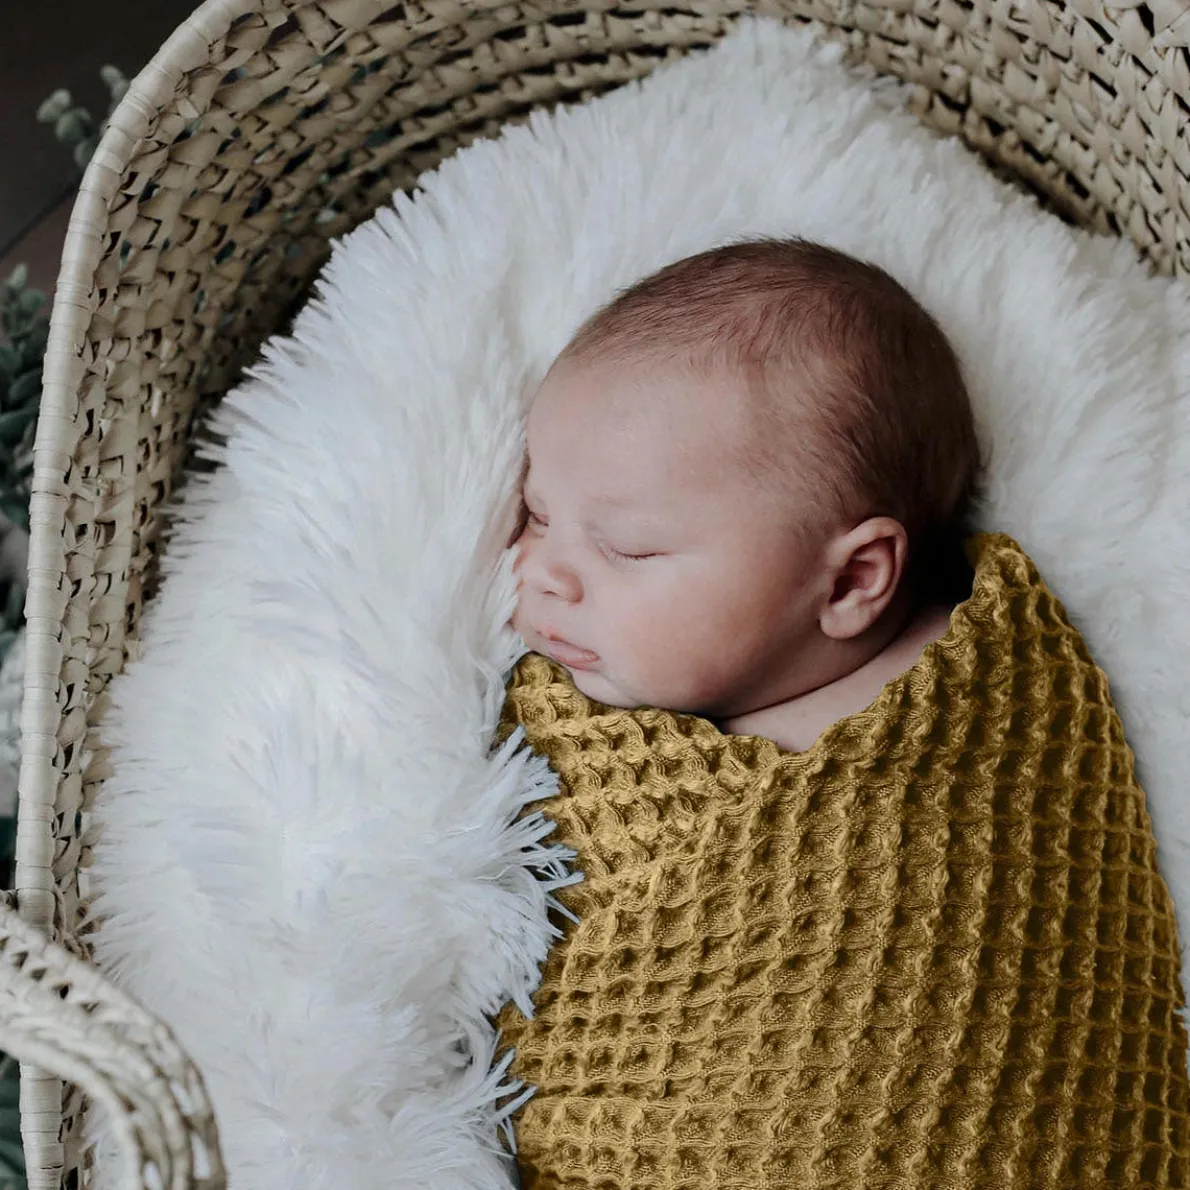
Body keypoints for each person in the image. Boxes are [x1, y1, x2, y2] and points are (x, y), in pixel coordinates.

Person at [510, 237, 981, 751]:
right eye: (539, 516)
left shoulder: (967, 694)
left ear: (850, 581)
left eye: (628, 546)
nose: (540, 572)